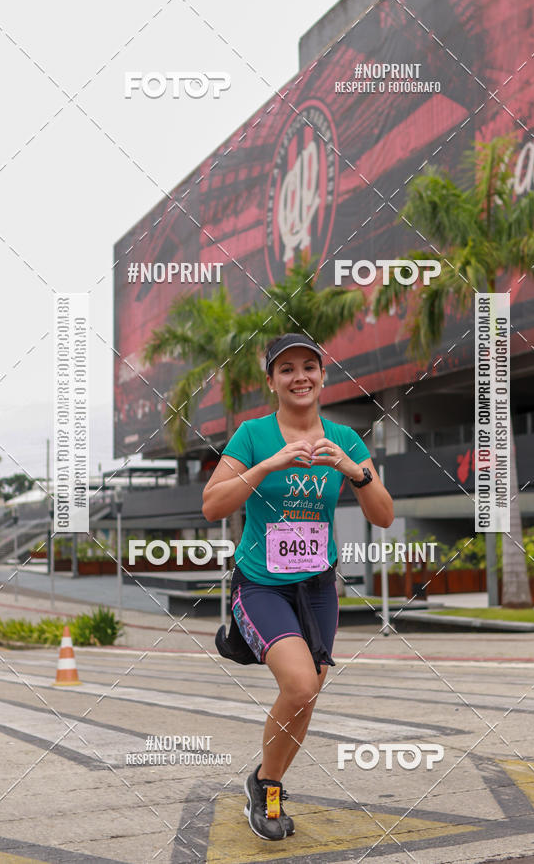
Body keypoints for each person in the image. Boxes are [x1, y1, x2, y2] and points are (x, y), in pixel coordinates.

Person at [202, 332, 393, 841]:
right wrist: (270, 464)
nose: (300, 376)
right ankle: (246, 636)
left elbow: (385, 515)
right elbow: (212, 504)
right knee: (301, 685)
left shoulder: (347, 440)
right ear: (272, 382)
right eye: (286, 369)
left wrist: (354, 472)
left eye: (309, 366)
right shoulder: (253, 434)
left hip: (317, 587)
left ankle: (267, 785)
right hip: (262, 585)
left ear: (323, 375)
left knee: (305, 700)